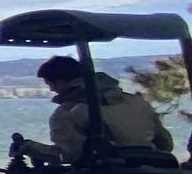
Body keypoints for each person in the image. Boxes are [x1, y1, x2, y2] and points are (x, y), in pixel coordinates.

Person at [22, 55, 175, 163]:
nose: (51, 90)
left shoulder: (69, 112)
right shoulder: (137, 102)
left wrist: (30, 148)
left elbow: (67, 154)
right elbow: (166, 145)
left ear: (60, 82)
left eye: (50, 84)